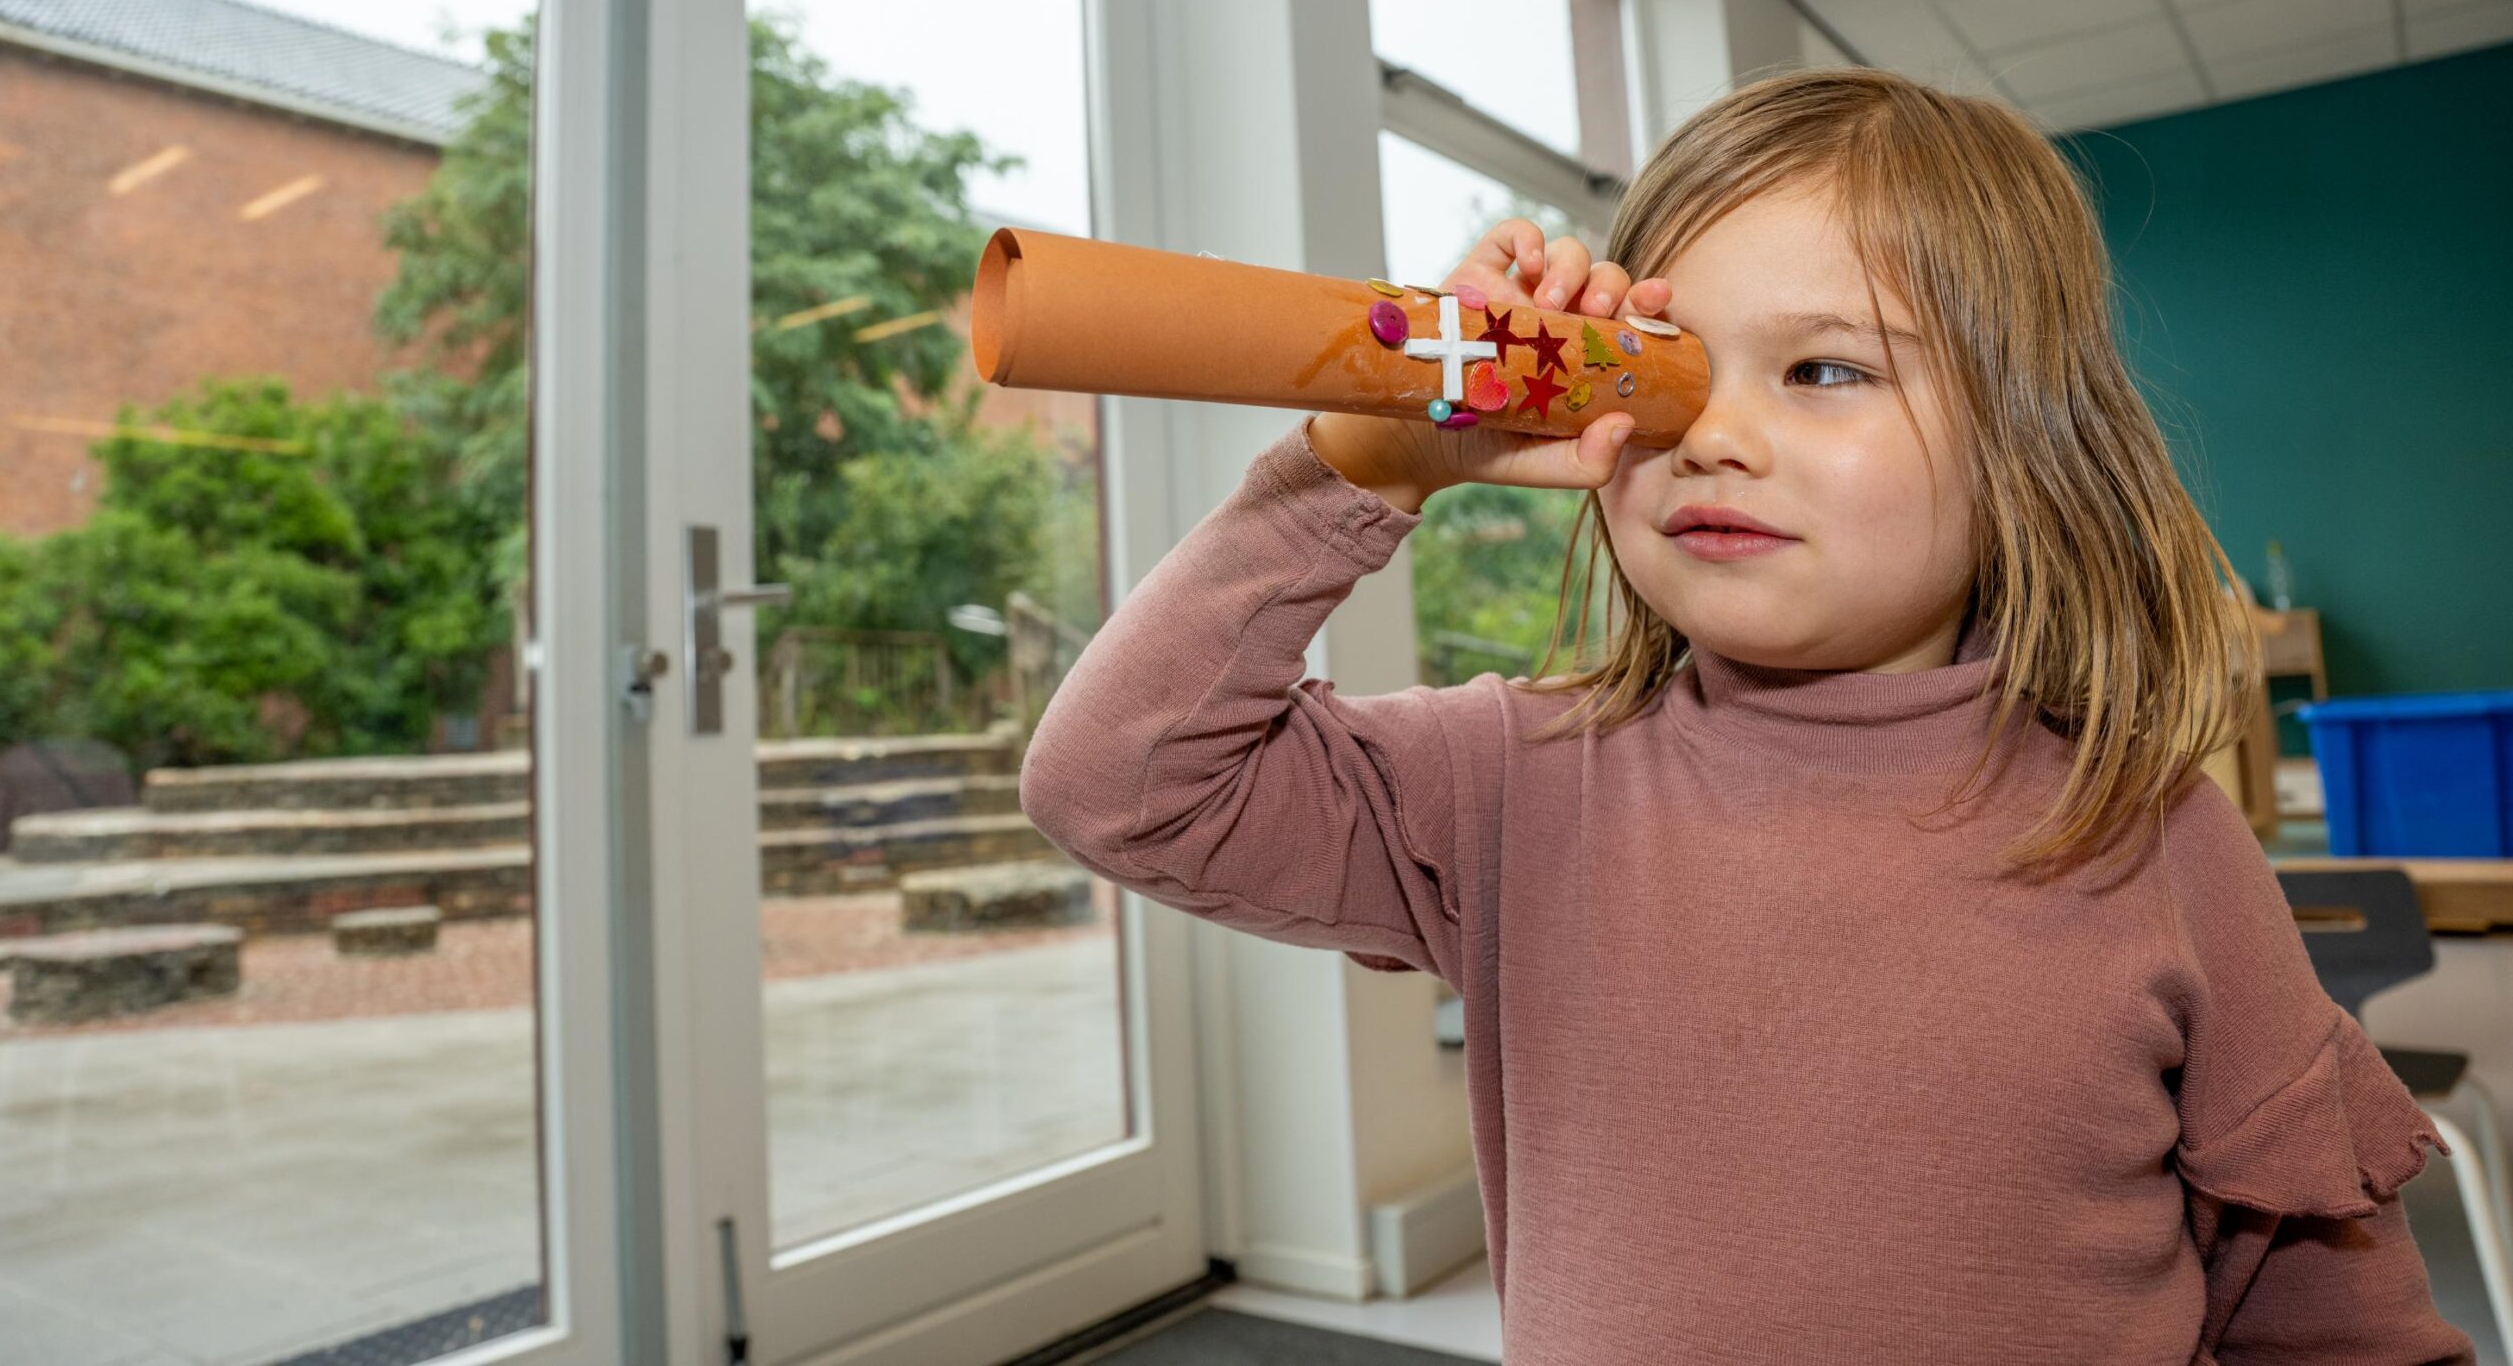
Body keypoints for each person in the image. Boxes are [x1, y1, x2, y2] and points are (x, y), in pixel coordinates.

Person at [1016, 67, 2474, 1364]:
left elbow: (2328, 1316)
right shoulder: (1517, 782)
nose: (1710, 432)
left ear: (2029, 447)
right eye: (1671, 374)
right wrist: (1376, 452)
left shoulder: (2151, 833)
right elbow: (1122, 782)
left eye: (1825, 370)